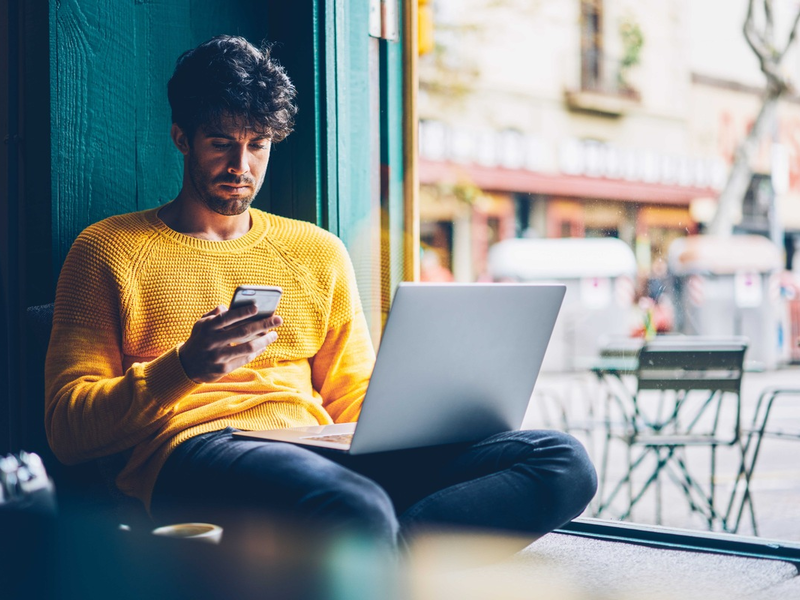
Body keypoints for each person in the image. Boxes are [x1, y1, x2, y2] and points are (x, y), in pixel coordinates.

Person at [45, 35, 596, 551]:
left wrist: (420, 425)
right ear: (181, 138)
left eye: (257, 145)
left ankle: (376, 560)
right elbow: (68, 429)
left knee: (561, 461)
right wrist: (185, 366)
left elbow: (352, 395)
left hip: (317, 445)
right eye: (221, 144)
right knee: (352, 507)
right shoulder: (109, 250)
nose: (241, 167)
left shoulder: (316, 250)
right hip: (196, 449)